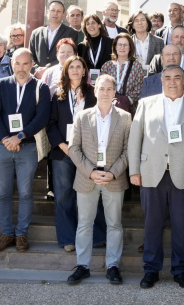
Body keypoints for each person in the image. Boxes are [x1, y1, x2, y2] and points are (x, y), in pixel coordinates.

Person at [128, 65, 184, 289]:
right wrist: (134, 170)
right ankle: (151, 270)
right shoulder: (146, 104)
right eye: (167, 78)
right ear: (161, 80)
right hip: (151, 173)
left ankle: (180, 270)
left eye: (177, 77)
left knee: (182, 225)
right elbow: (134, 139)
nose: (172, 82)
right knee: (152, 225)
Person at [66, 74, 132, 285]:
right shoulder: (82, 116)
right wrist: (90, 172)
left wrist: (113, 172)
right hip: (87, 178)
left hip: (114, 178)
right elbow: (74, 148)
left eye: (109, 89)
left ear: (114, 92)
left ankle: (113, 266)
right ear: (95, 92)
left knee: (114, 224)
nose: (105, 92)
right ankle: (82, 265)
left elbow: (128, 150)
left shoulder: (125, 117)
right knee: (84, 224)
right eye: (101, 89)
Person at [0, 48, 52, 252]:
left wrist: (20, 136)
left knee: (25, 193)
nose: (21, 68)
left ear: (32, 64)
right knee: (3, 193)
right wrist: (7, 138)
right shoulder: (0, 85)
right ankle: (7, 233)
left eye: (25, 64)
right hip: (2, 146)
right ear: (11, 64)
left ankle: (22, 234)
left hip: (27, 147)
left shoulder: (40, 87)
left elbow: (42, 117)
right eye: (17, 63)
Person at [46, 56, 105, 253]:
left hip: (88, 153)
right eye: (71, 67)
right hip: (63, 152)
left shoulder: (93, 94)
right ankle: (68, 238)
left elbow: (101, 120)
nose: (75, 70)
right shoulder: (57, 94)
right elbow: (51, 123)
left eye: (79, 67)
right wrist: (63, 146)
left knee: (92, 193)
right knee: (63, 196)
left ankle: (97, 237)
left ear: (84, 71)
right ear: (66, 70)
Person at [29, 1, 79, 73]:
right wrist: (37, 69)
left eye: (58, 11)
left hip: (59, 74)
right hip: (37, 75)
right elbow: (30, 56)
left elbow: (71, 56)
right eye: (53, 10)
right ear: (47, 12)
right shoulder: (36, 33)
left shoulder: (71, 33)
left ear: (63, 15)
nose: (55, 13)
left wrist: (47, 69)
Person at [101, 33, 145, 111]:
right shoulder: (107, 66)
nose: (122, 48)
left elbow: (139, 88)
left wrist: (125, 101)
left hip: (128, 108)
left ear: (130, 48)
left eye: (125, 45)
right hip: (108, 107)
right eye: (120, 45)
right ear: (115, 47)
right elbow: (102, 86)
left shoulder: (137, 66)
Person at [77, 14, 114, 81]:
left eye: (93, 23)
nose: (91, 25)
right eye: (87, 24)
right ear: (85, 27)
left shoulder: (111, 42)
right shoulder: (81, 46)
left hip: (106, 82)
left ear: (99, 25)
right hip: (88, 83)